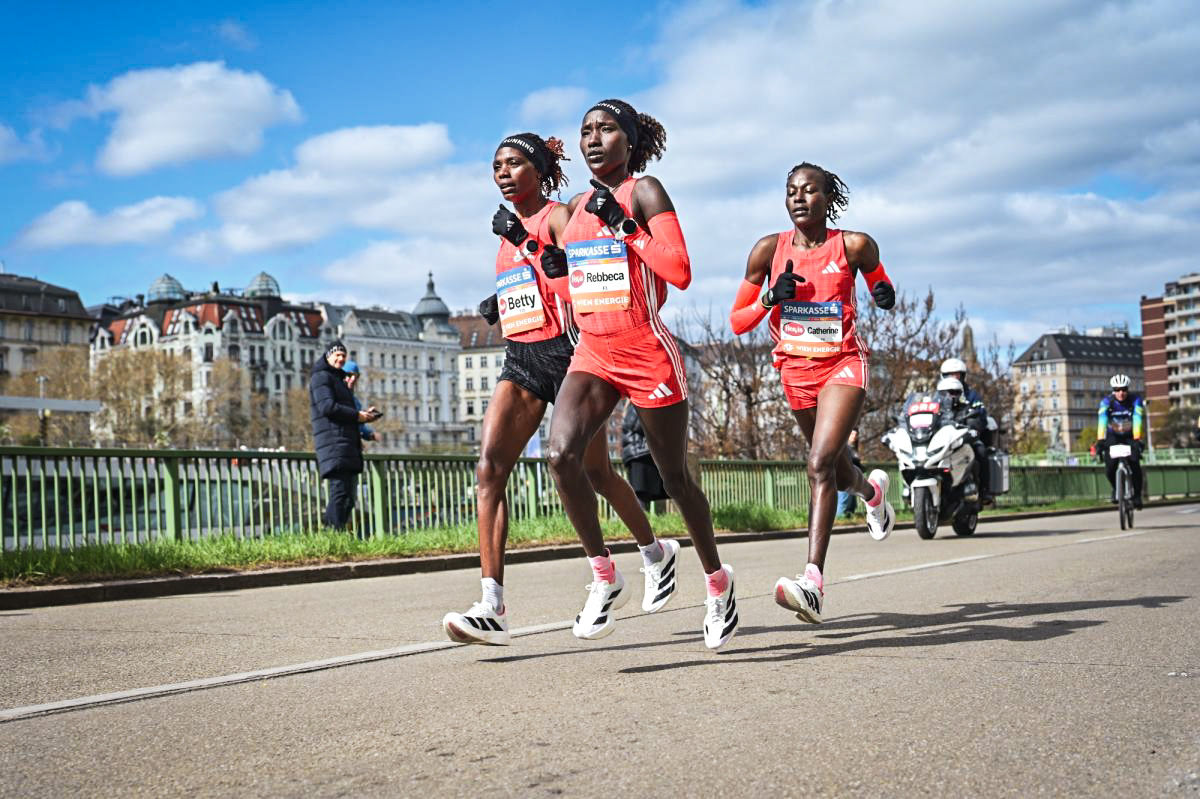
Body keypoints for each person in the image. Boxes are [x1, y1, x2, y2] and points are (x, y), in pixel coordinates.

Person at [442, 132, 677, 648]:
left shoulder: (557, 218)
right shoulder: (504, 231)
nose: (503, 173)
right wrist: (499, 305)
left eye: (515, 164)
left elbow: (581, 282)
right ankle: (493, 606)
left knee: (594, 472)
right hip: (522, 359)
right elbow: (532, 286)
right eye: (497, 164)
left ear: (541, 170)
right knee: (489, 468)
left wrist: (531, 247)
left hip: (572, 355)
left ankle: (654, 552)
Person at [545, 99, 738, 650]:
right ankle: (605, 576)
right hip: (594, 353)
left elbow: (678, 271)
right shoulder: (575, 208)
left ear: (629, 141)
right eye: (586, 131)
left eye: (607, 129)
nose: (594, 139)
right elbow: (576, 296)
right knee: (561, 455)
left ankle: (717, 584)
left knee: (673, 478)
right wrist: (554, 270)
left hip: (647, 349)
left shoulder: (644, 191)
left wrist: (626, 226)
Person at [729, 161, 897, 625]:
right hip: (795, 372)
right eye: (791, 191)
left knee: (819, 463)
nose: (799, 197)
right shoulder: (767, 251)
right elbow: (737, 321)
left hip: (843, 363)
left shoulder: (854, 245)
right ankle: (871, 491)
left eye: (810, 190)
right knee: (838, 471)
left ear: (828, 198)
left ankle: (813, 583)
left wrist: (884, 293)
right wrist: (770, 298)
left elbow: (881, 284)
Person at [309, 342, 379, 531]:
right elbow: (327, 407)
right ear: (328, 356)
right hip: (334, 443)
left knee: (348, 497)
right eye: (337, 355)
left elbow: (344, 411)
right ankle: (331, 536)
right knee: (339, 494)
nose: (340, 359)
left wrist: (363, 416)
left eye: (343, 356)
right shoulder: (321, 377)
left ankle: (337, 536)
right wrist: (357, 416)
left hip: (345, 444)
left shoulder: (337, 380)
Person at [940, 357, 993, 502]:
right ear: (943, 376)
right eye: (951, 374)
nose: (955, 377)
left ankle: (984, 491)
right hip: (943, 437)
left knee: (981, 451)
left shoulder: (971, 395)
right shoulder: (937, 395)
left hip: (965, 435)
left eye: (958, 374)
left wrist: (973, 425)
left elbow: (981, 415)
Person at [1096, 373, 1145, 509]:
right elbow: (1102, 420)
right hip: (1114, 436)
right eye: (1117, 390)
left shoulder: (1135, 401)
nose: (1121, 393)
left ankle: (1137, 496)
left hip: (1130, 436)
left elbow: (1137, 419)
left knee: (1134, 464)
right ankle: (1116, 489)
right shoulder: (1107, 402)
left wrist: (1137, 439)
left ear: (1127, 390)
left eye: (1124, 389)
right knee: (1110, 467)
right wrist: (1100, 440)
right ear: (1113, 390)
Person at [620, 400, 668, 511]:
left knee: (641, 493)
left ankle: (641, 523)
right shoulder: (639, 404)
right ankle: (642, 523)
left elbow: (635, 425)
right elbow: (640, 425)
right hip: (641, 453)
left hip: (638, 453)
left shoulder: (635, 405)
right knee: (641, 493)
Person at [342, 360, 378, 446]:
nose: (353, 379)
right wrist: (359, 416)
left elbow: (359, 427)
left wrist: (371, 434)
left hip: (353, 447)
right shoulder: (336, 396)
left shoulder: (356, 402)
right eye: (349, 375)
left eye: (356, 376)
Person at [836, 430, 862, 517]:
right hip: (844, 478)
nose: (854, 436)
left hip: (853, 478)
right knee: (844, 501)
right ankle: (839, 521)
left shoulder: (854, 448)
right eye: (852, 434)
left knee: (852, 504)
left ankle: (848, 519)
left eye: (856, 434)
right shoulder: (844, 447)